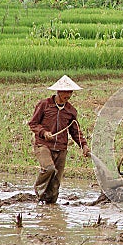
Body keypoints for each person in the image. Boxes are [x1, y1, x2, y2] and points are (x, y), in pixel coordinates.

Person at [28, 75, 90, 204]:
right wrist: (44, 132)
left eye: (70, 92)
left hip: (61, 148)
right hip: (43, 145)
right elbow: (33, 124)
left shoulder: (70, 111)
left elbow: (75, 130)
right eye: (65, 92)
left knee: (56, 182)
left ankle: (51, 207)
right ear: (58, 91)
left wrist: (83, 145)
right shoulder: (44, 105)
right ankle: (39, 193)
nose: (68, 95)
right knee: (49, 169)